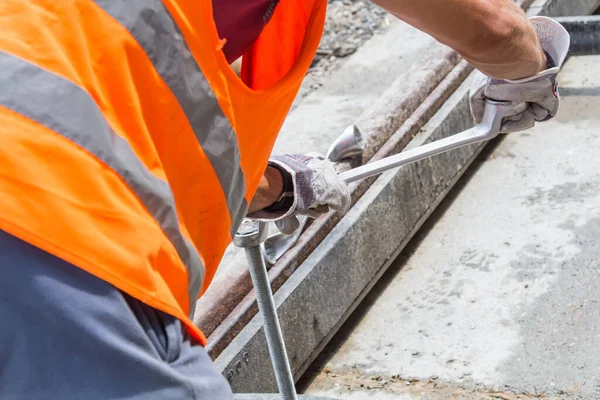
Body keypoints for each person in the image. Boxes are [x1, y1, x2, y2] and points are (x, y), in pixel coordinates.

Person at [0, 0, 568, 398]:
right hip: (41, 230)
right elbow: (493, 28)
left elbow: (133, 98)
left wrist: (271, 183)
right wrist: (526, 68)